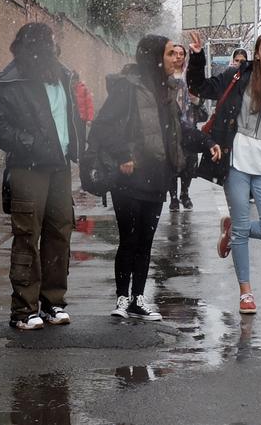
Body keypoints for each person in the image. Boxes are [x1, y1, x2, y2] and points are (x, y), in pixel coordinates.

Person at [87, 35, 220, 321]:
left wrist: (207, 142)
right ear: (155, 57)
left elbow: (179, 130)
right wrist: (123, 155)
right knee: (129, 239)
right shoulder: (128, 88)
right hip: (129, 177)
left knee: (145, 241)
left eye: (178, 54)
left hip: (156, 177)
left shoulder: (167, 90)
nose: (177, 58)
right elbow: (102, 126)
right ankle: (122, 298)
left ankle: (138, 299)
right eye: (171, 53)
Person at [187, 31, 261, 315]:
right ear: (256, 53)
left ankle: (233, 231)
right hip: (235, 163)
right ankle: (246, 292)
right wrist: (198, 57)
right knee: (241, 228)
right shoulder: (238, 77)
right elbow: (198, 86)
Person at [0, 22, 82, 330]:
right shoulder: (13, 81)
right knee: (27, 237)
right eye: (51, 41)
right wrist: (30, 144)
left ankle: (53, 303)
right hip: (28, 168)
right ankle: (24, 310)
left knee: (60, 233)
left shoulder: (63, 76)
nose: (56, 46)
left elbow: (72, 119)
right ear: (37, 44)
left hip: (60, 166)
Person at [167, 44, 199, 211]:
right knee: (172, 160)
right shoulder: (165, 75)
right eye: (175, 53)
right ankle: (173, 198)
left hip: (189, 122)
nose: (178, 56)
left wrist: (196, 100)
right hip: (171, 122)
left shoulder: (189, 75)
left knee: (189, 160)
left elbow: (197, 95)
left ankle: (184, 193)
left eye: (181, 53)